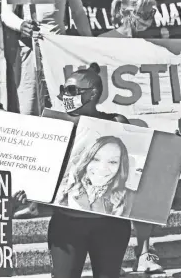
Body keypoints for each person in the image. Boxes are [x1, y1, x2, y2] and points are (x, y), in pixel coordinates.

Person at [96, 0, 181, 273]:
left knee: (146, 193)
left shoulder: (155, 43)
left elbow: (179, 69)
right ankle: (113, 258)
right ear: (128, 13)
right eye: (146, 12)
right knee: (113, 194)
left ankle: (144, 252)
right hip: (116, 126)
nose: (151, 17)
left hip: (148, 128)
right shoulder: (102, 42)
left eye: (154, 12)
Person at [47, 63, 133, 278]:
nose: (65, 96)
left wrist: (175, 148)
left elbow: (143, 161)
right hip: (67, 222)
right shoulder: (52, 125)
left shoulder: (116, 123)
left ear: (93, 93)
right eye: (63, 90)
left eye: (71, 90)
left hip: (110, 225)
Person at [56, 135, 132, 217]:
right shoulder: (67, 183)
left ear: (120, 166)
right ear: (87, 160)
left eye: (112, 162)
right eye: (96, 159)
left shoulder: (128, 198)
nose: (102, 168)